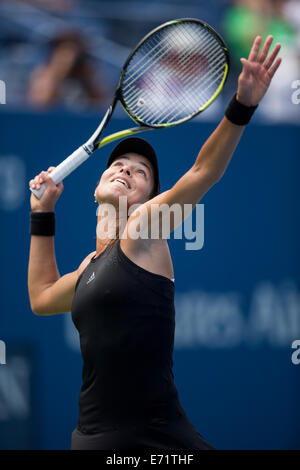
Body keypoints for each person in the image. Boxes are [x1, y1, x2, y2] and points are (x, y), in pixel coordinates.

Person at [28, 36, 281, 450]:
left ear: (148, 200)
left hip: (158, 437)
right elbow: (40, 298)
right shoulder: (89, 267)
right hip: (95, 440)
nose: (126, 171)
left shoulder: (143, 230)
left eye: (140, 173)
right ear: (95, 189)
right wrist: (42, 214)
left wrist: (243, 106)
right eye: (119, 165)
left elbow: (202, 173)